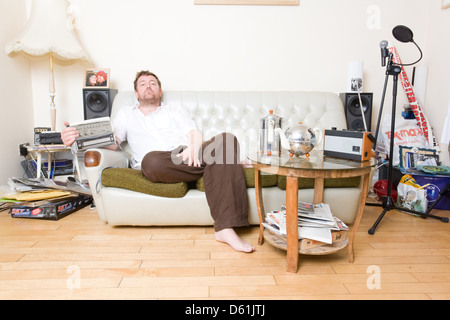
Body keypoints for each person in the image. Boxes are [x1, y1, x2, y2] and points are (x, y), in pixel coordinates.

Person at [61, 70, 254, 253]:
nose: (148, 86)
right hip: (158, 161)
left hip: (187, 154)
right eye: (143, 84)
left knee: (227, 139)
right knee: (150, 161)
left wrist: (194, 148)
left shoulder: (174, 109)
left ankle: (225, 228)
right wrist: (77, 138)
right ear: (136, 93)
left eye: (153, 83)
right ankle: (227, 163)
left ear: (160, 91)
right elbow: (113, 143)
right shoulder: (126, 114)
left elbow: (193, 133)